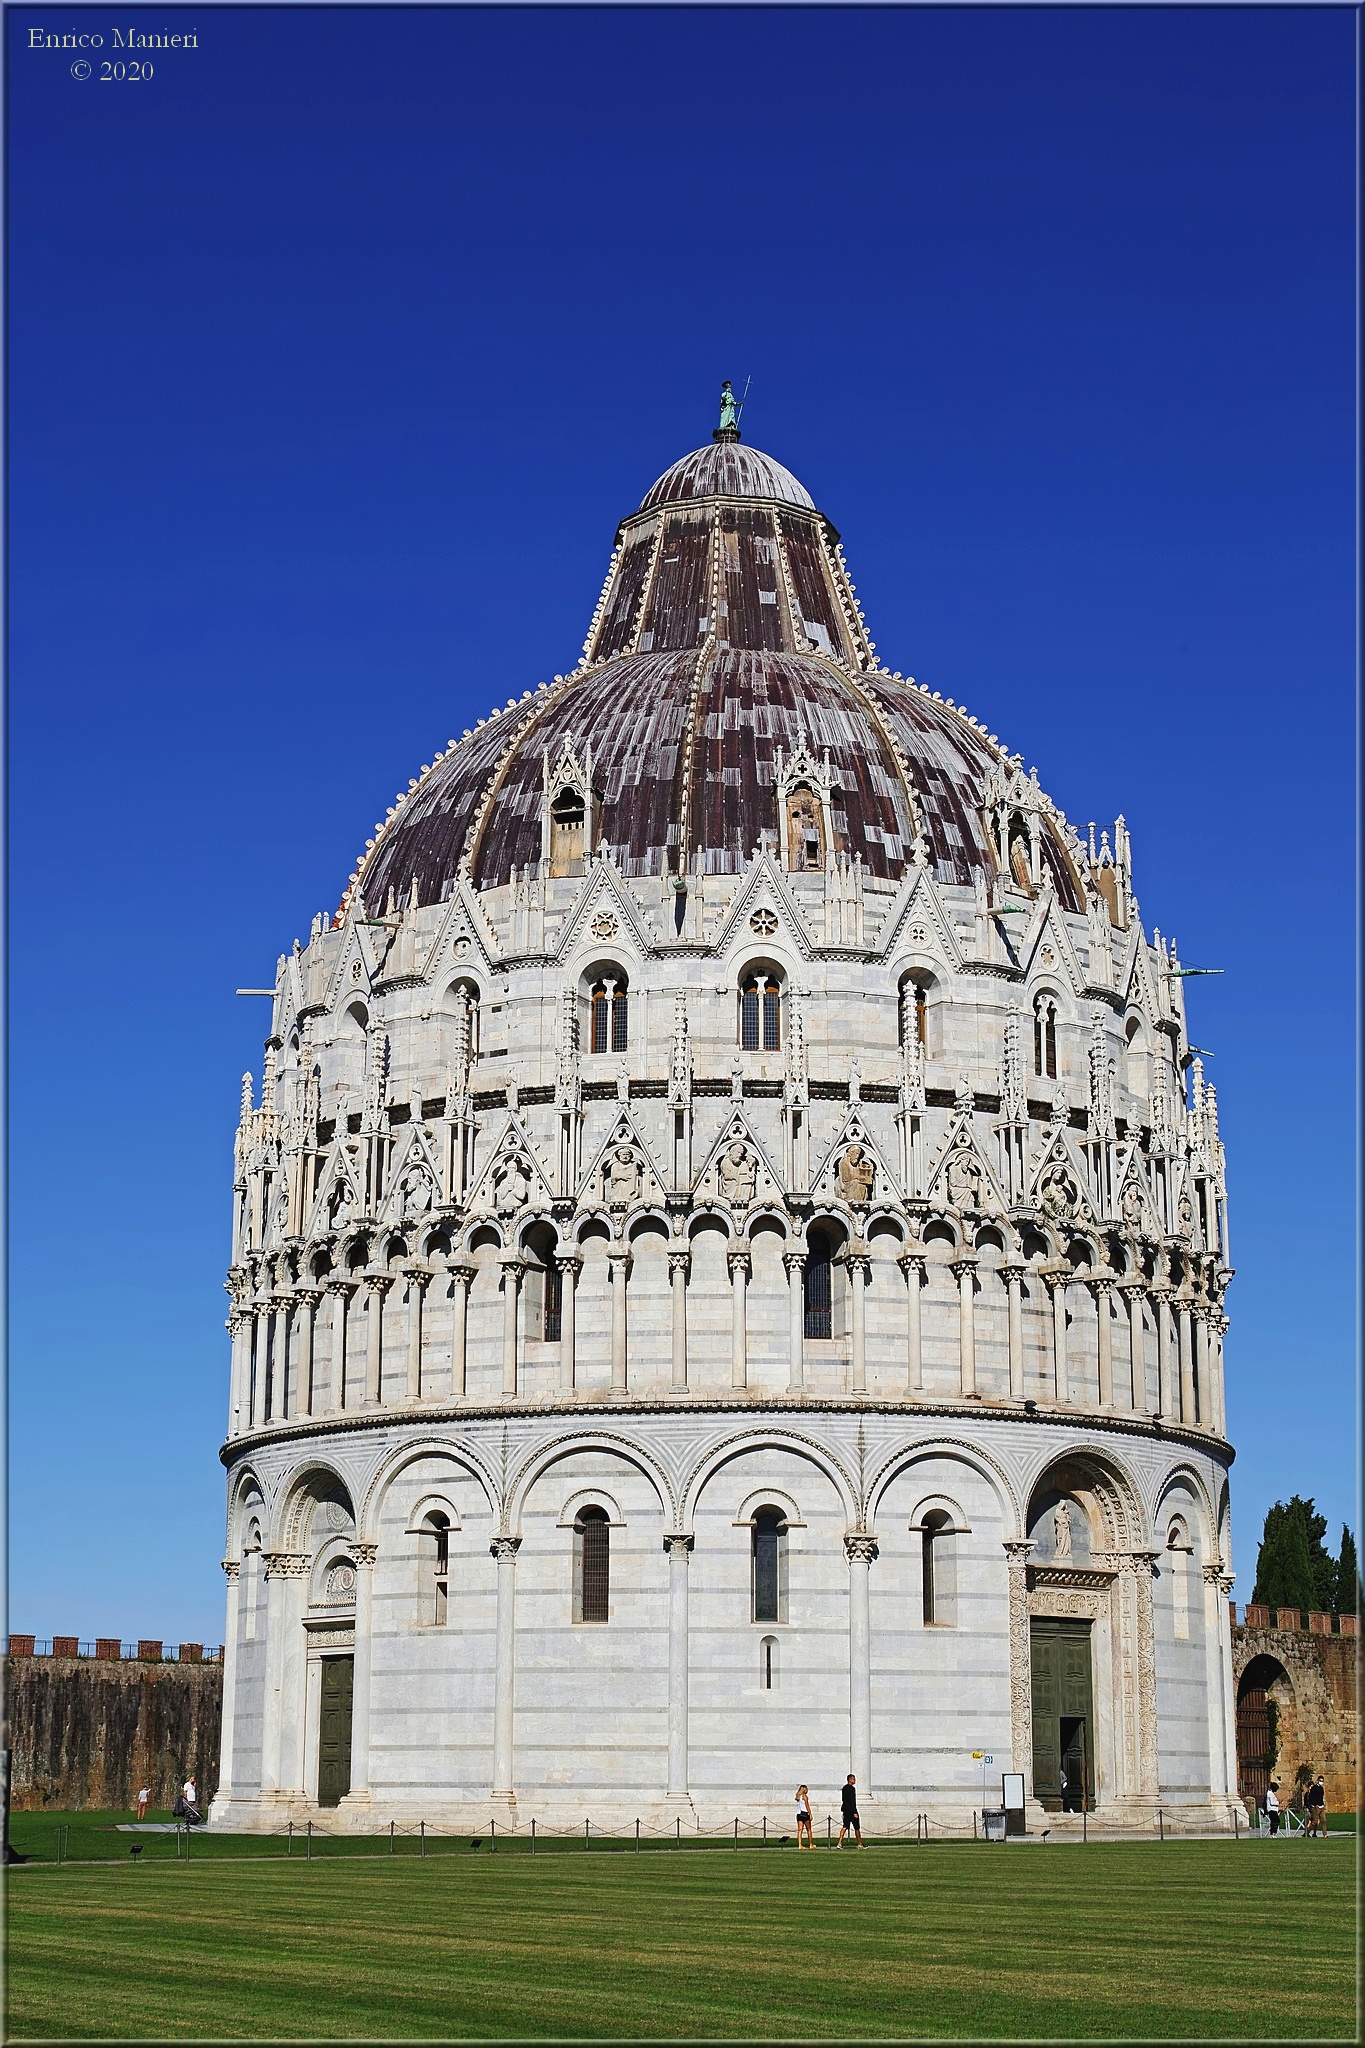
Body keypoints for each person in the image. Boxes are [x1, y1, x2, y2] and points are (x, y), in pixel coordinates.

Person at [837, 1773, 862, 1847]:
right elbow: (852, 1801)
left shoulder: (844, 1788)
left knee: (845, 1826)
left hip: (846, 1810)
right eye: (853, 1779)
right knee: (856, 1828)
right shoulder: (852, 1789)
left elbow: (844, 1800)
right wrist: (854, 1812)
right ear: (850, 1780)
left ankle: (840, 1843)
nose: (855, 1780)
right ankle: (859, 1843)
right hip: (851, 1810)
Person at [795, 1784, 813, 1852]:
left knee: (800, 1830)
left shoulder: (798, 1796)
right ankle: (811, 1844)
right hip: (805, 1814)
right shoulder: (804, 1796)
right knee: (809, 1829)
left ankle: (800, 1844)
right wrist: (810, 1814)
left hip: (799, 1814)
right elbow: (807, 1806)